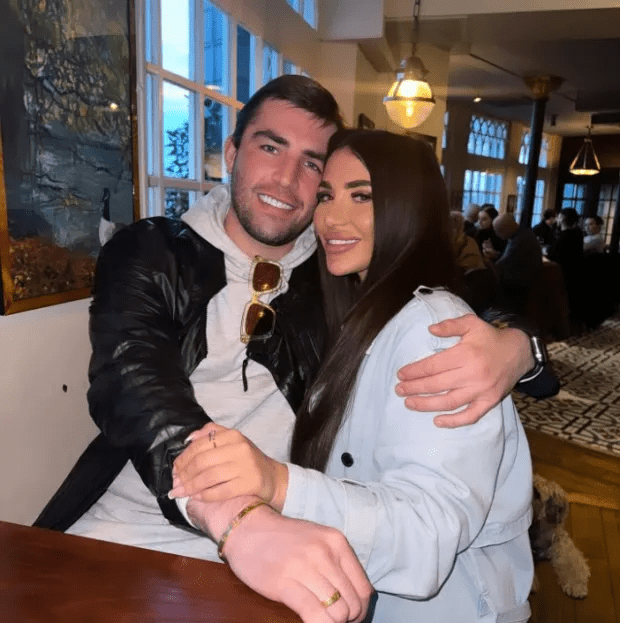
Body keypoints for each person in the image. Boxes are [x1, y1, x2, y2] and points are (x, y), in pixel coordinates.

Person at [34, 76, 545, 622]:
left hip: (285, 539)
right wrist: (237, 520)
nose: (286, 179)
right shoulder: (153, 250)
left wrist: (520, 348)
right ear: (231, 153)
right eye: (270, 147)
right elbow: (131, 380)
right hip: (156, 516)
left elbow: (434, 303)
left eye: (312, 166)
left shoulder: (336, 268)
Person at [172, 130, 534, 622]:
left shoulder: (432, 328)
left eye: (362, 196)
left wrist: (276, 483)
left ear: (411, 206)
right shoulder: (356, 310)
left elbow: (427, 535)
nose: (331, 218)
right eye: (326, 196)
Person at [492, 213, 543, 314]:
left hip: (519, 287)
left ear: (507, 228)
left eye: (499, 232)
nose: (498, 235)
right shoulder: (523, 233)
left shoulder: (520, 239)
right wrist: (496, 254)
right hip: (522, 283)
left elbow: (504, 263)